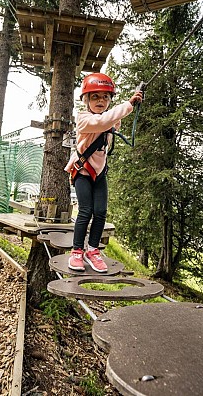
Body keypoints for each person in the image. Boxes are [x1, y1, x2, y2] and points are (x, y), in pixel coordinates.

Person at [64, 73, 143, 273]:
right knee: (85, 211)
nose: (101, 101)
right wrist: (128, 105)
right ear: (86, 100)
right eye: (95, 97)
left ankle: (93, 250)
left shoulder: (109, 121)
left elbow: (111, 121)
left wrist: (130, 105)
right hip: (82, 171)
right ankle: (77, 251)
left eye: (105, 97)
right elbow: (102, 122)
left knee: (100, 212)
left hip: (99, 172)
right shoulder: (83, 118)